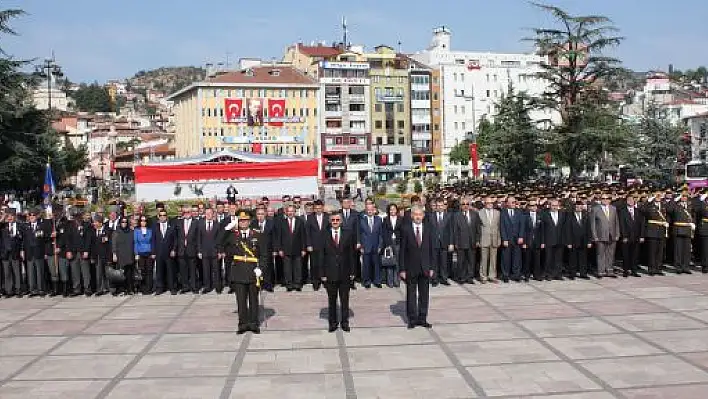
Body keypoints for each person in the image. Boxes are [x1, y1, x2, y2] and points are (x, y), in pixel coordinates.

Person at [221, 211, 267, 334]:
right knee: (241, 301)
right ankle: (242, 324)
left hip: (253, 272)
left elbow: (264, 254)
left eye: (245, 220)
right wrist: (227, 228)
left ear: (250, 221)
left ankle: (253, 324)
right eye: (241, 220)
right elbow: (219, 242)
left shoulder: (257, 235)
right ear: (238, 222)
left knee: (253, 300)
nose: (243, 222)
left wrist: (261, 268)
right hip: (239, 272)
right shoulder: (232, 236)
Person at [399, 205, 434, 329]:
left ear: (423, 216)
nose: (418, 217)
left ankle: (423, 318)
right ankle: (412, 319)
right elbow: (402, 250)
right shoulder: (406, 229)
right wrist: (402, 269)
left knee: (424, 295)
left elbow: (432, 249)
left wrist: (432, 267)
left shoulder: (429, 228)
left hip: (425, 267)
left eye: (420, 214)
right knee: (411, 294)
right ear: (412, 216)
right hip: (411, 268)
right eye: (415, 214)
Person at [321, 212, 356, 332]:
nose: (335, 222)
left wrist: (352, 271)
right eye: (333, 220)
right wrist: (323, 274)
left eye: (337, 220)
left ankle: (345, 322)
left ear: (341, 221)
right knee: (332, 300)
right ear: (330, 221)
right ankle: (332, 323)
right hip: (330, 273)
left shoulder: (348, 233)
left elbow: (352, 254)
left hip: (345, 272)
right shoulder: (324, 234)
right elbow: (321, 256)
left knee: (344, 300)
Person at [590, 194, 620, 278]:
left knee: (611, 254)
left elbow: (616, 222)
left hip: (612, 235)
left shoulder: (613, 209)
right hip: (600, 235)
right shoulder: (595, 209)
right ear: (600, 200)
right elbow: (593, 224)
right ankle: (601, 271)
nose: (605, 200)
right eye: (603, 198)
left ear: (610, 200)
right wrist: (594, 236)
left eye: (607, 198)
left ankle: (609, 270)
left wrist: (617, 234)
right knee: (601, 254)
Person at [112, 217, 136, 295]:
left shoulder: (131, 231)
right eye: (122, 222)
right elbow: (114, 244)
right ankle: (121, 289)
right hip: (120, 255)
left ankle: (130, 289)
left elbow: (134, 243)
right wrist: (114, 254)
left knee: (129, 274)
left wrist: (136, 254)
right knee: (121, 274)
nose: (124, 223)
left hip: (129, 254)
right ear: (120, 223)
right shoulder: (116, 232)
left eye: (125, 222)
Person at [133, 216, 153, 294]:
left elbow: (152, 242)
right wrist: (136, 253)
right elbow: (136, 242)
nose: (143, 222)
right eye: (141, 221)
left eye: (145, 221)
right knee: (142, 271)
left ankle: (149, 288)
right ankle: (143, 288)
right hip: (140, 253)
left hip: (149, 252)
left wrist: (153, 252)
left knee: (149, 271)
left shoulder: (150, 230)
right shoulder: (136, 230)